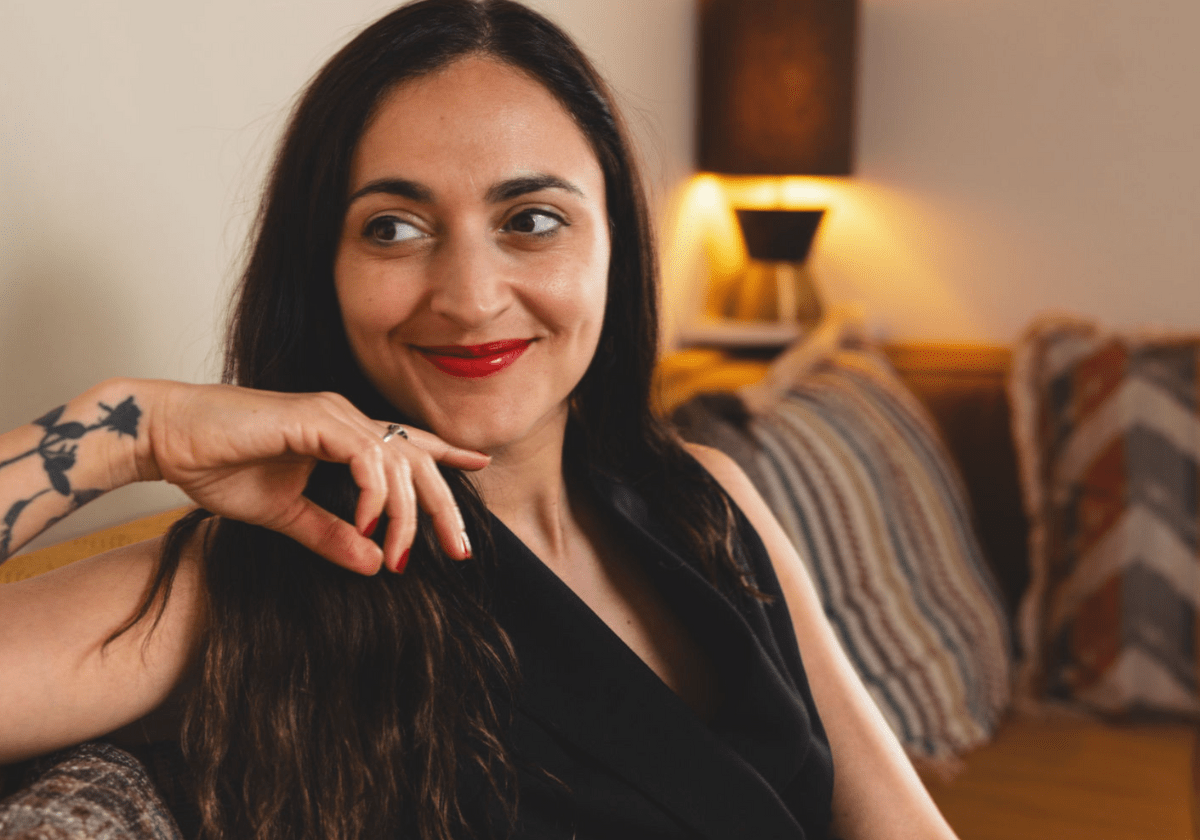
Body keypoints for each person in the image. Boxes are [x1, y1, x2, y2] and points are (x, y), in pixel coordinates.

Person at [0, 1, 959, 838]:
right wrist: (128, 431)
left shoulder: (709, 497)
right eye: (393, 228)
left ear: (615, 243)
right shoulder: (263, 576)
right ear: (322, 272)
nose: (468, 296)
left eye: (531, 220)